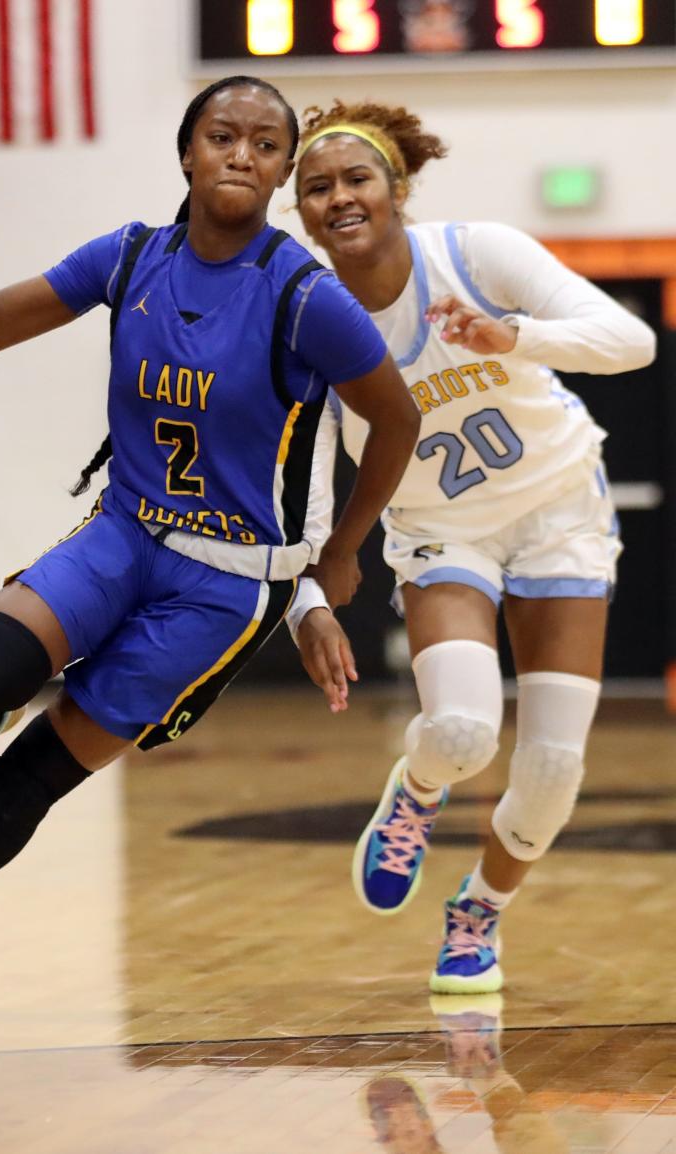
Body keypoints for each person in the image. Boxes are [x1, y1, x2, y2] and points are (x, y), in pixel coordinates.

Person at [0, 76, 420, 1024]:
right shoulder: (128, 257)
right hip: (125, 532)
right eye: (223, 135)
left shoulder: (306, 298)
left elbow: (397, 420)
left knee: (31, 781)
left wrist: (340, 558)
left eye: (264, 144)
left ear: (282, 172)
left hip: (221, 593)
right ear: (187, 152)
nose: (241, 154)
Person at [286, 99, 656, 993]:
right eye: (316, 186)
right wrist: (310, 595)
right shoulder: (306, 317)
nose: (339, 196)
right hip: (441, 528)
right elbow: (298, 480)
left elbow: (633, 342)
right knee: (457, 733)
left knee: (554, 768)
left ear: (397, 187)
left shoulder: (475, 254)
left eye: (357, 177)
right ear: (299, 211)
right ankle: (416, 792)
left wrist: (515, 335)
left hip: (560, 509)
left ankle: (479, 910)